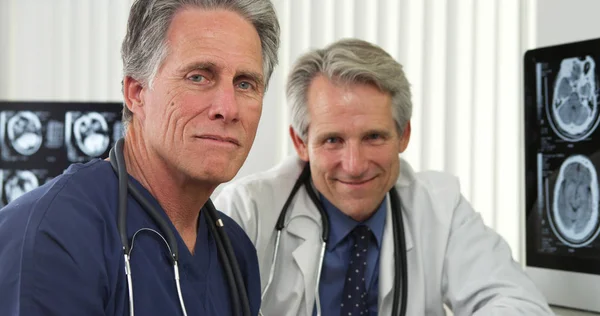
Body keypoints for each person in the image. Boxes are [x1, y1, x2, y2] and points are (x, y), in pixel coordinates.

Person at [214, 38, 554, 316]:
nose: (354, 164)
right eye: (333, 140)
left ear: (403, 135)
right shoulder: (245, 211)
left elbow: (520, 305)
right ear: (301, 143)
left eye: (373, 137)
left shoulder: (439, 208)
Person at [0, 0, 279, 315]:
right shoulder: (51, 234)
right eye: (199, 77)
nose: (227, 109)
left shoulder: (235, 252)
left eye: (245, 84)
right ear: (136, 92)